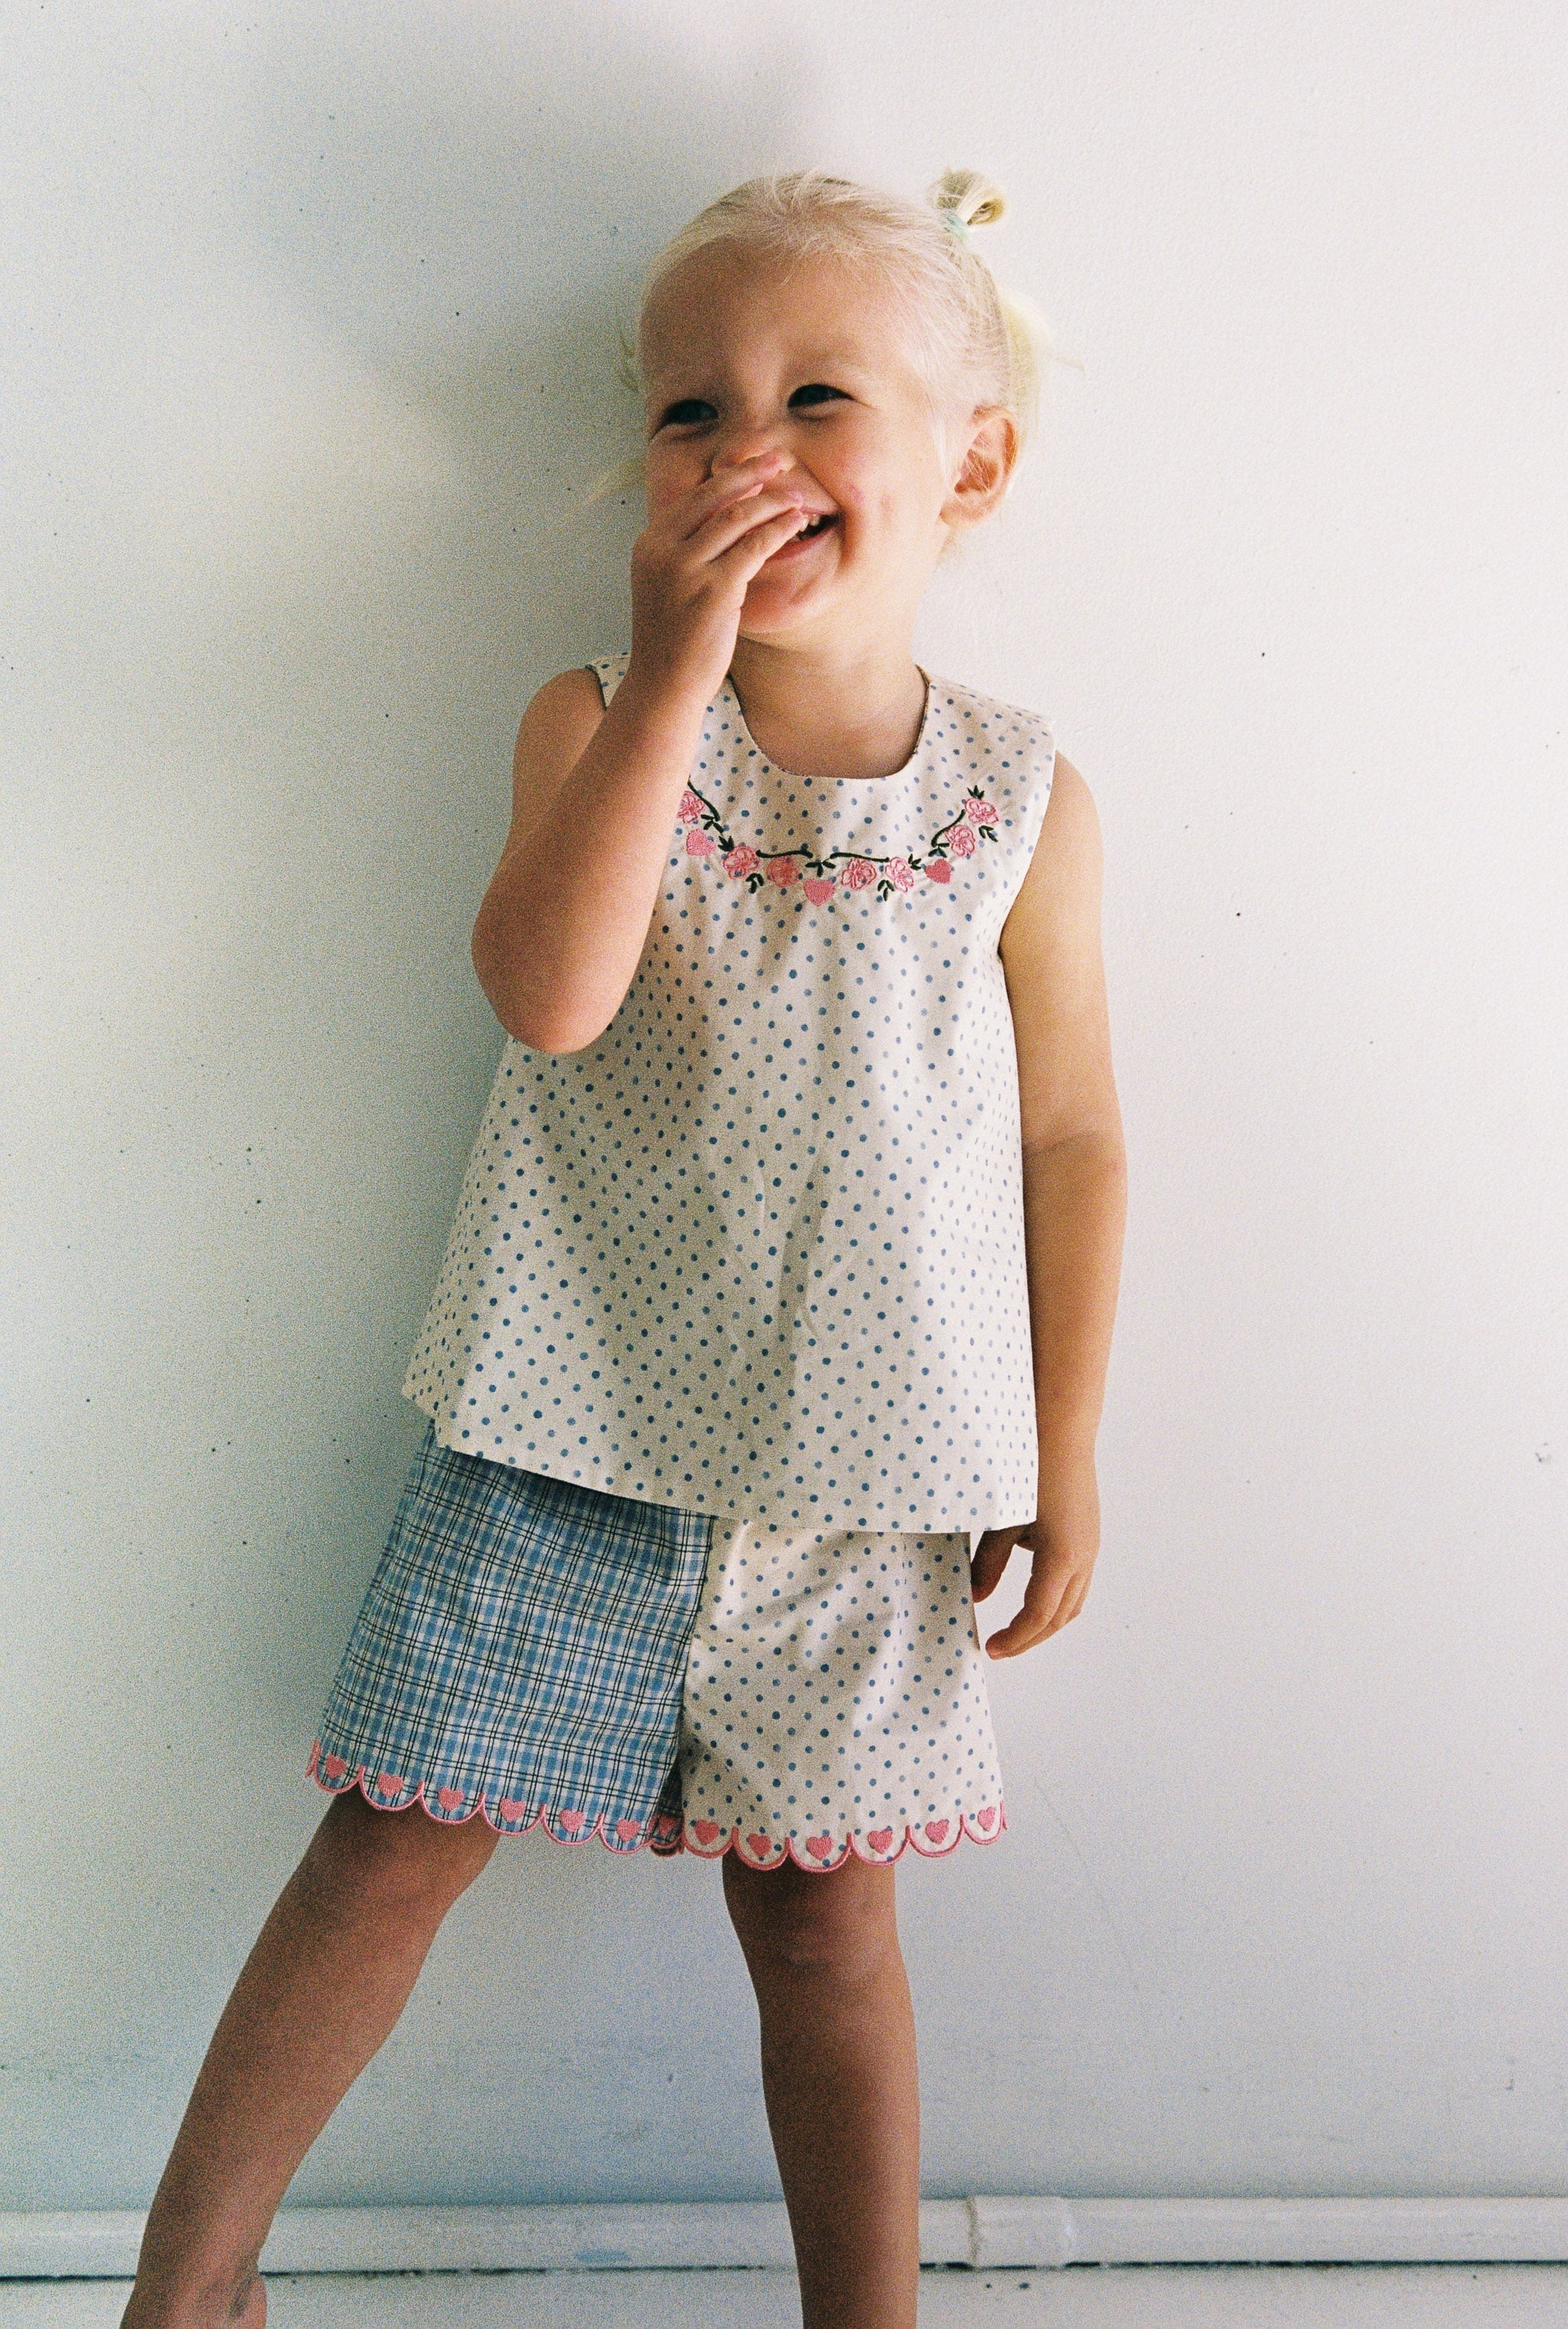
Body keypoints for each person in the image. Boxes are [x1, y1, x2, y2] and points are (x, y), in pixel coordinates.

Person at [123, 166, 1126, 2329]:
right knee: (388, 1842)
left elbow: (1069, 1135)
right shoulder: (597, 722)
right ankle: (186, 2290)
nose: (741, 448)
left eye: (815, 393)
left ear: (972, 462)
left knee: (828, 1926)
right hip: (563, 1422)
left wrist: (1068, 1447)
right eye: (691, 410)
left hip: (869, 1485)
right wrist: (675, 673)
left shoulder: (1022, 795)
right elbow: (550, 995)